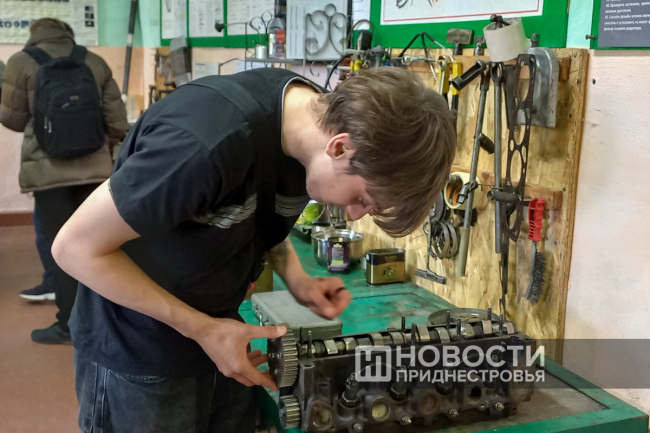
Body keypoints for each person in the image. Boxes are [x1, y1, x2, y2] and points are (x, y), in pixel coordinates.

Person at [52, 66, 456, 432]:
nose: (353, 214)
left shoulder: (305, 134)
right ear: (339, 147)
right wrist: (204, 330)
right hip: (138, 357)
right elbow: (74, 248)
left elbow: (254, 207)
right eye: (362, 199)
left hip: (220, 339)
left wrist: (297, 279)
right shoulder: (200, 145)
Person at [0, 18, 128, 344]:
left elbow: (12, 119)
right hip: (95, 171)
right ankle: (110, 324)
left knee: (62, 249)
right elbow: (117, 123)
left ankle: (68, 326)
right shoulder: (94, 61)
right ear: (68, 33)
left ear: (34, 35)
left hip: (48, 173)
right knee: (100, 247)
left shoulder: (20, 62)